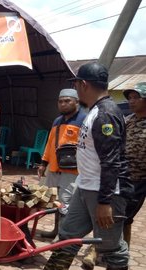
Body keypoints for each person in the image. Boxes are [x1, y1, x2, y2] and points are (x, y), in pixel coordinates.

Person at [44, 62, 131, 270]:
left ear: (83, 84)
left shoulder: (105, 114)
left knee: (111, 248)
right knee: (68, 236)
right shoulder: (94, 111)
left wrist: (105, 202)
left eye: (75, 85)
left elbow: (111, 162)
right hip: (85, 187)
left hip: (104, 192)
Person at [37, 89, 86, 238]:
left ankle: (62, 236)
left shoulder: (84, 120)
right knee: (54, 201)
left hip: (71, 170)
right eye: (60, 101)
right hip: (53, 167)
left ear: (76, 102)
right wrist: (43, 163)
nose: (63, 104)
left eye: (67, 101)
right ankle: (56, 230)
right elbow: (50, 143)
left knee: (66, 202)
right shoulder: (57, 121)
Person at [121, 82, 146, 246]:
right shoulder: (127, 121)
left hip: (142, 178)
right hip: (127, 177)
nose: (131, 101)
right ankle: (123, 249)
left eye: (136, 97)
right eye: (130, 98)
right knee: (122, 214)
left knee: (125, 215)